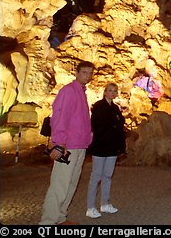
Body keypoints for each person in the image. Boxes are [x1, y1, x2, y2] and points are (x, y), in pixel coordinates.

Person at [39, 61, 95, 225]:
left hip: (80, 145)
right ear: (76, 73)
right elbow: (59, 118)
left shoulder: (82, 93)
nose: (87, 76)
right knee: (60, 185)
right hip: (68, 146)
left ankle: (60, 217)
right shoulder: (68, 91)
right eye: (84, 72)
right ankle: (47, 222)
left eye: (90, 73)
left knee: (71, 184)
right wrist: (59, 143)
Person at [86, 83, 127, 218]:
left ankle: (105, 203)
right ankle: (90, 206)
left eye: (115, 91)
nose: (112, 93)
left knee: (108, 176)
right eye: (110, 91)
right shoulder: (98, 107)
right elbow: (98, 126)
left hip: (112, 147)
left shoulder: (115, 108)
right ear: (105, 92)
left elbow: (119, 126)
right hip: (100, 146)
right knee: (96, 176)